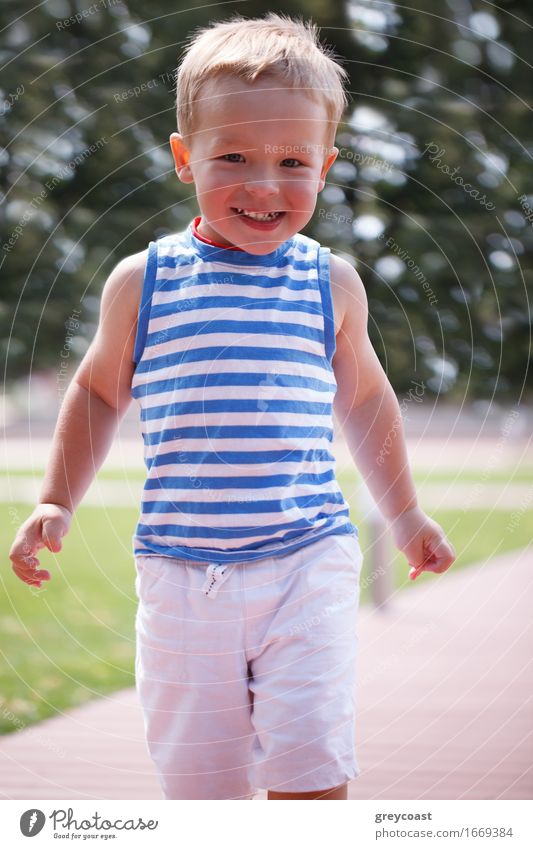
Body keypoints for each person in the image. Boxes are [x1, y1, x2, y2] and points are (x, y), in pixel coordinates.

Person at [9, 12, 455, 800]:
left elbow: (365, 401)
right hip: (182, 572)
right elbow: (98, 390)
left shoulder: (330, 284)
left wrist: (407, 512)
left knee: (309, 765)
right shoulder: (142, 283)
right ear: (186, 158)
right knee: (200, 782)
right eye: (234, 157)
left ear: (325, 166)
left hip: (305, 560)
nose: (264, 184)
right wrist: (56, 496)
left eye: (293, 161)